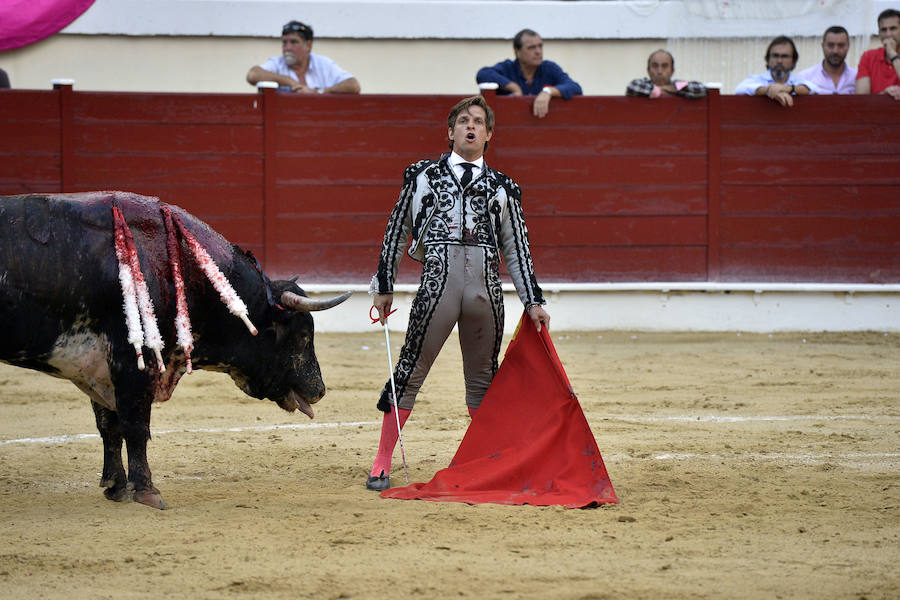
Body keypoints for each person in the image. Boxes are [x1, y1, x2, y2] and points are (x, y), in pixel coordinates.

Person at [365, 95, 550, 491]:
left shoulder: (504, 188)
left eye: (479, 122)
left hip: (485, 291)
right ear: (450, 132)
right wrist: (384, 286)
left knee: (484, 380)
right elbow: (396, 232)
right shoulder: (422, 176)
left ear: (488, 136)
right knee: (410, 368)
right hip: (438, 286)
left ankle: (485, 461)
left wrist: (533, 301)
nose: (471, 126)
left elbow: (517, 249)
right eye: (464, 121)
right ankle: (382, 458)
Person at [476, 29, 582, 119]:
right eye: (531, 47)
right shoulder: (508, 68)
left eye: (540, 46)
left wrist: (548, 92)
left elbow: (575, 87)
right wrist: (514, 87)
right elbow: (483, 74)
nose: (538, 51)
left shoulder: (549, 68)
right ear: (517, 51)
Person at [246, 20, 360, 94]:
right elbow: (253, 75)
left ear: (308, 45)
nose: (287, 48)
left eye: (294, 42)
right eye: (284, 43)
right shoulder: (277, 63)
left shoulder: (322, 63)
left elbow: (353, 85)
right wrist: (290, 82)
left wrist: (318, 91)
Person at [734, 35, 818, 106]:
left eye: (785, 56)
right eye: (775, 56)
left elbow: (815, 89)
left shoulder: (797, 81)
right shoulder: (757, 79)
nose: (779, 61)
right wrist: (768, 90)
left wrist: (787, 89)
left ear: (793, 61)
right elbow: (739, 89)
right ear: (768, 59)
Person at [796, 26, 856, 95]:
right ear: (822, 46)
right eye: (830, 45)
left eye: (841, 45)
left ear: (848, 46)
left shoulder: (857, 78)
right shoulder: (804, 78)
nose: (835, 51)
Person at [855, 8, 900, 100]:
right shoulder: (868, 56)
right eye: (884, 30)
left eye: (893, 29)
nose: (888, 34)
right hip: (876, 112)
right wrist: (884, 95)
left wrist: (893, 55)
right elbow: (861, 97)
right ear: (879, 33)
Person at [625, 49, 707, 99]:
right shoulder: (642, 84)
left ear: (672, 70)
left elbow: (701, 88)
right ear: (648, 70)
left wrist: (657, 91)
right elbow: (632, 86)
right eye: (655, 66)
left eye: (664, 66)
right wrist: (673, 90)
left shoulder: (677, 84)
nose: (659, 71)